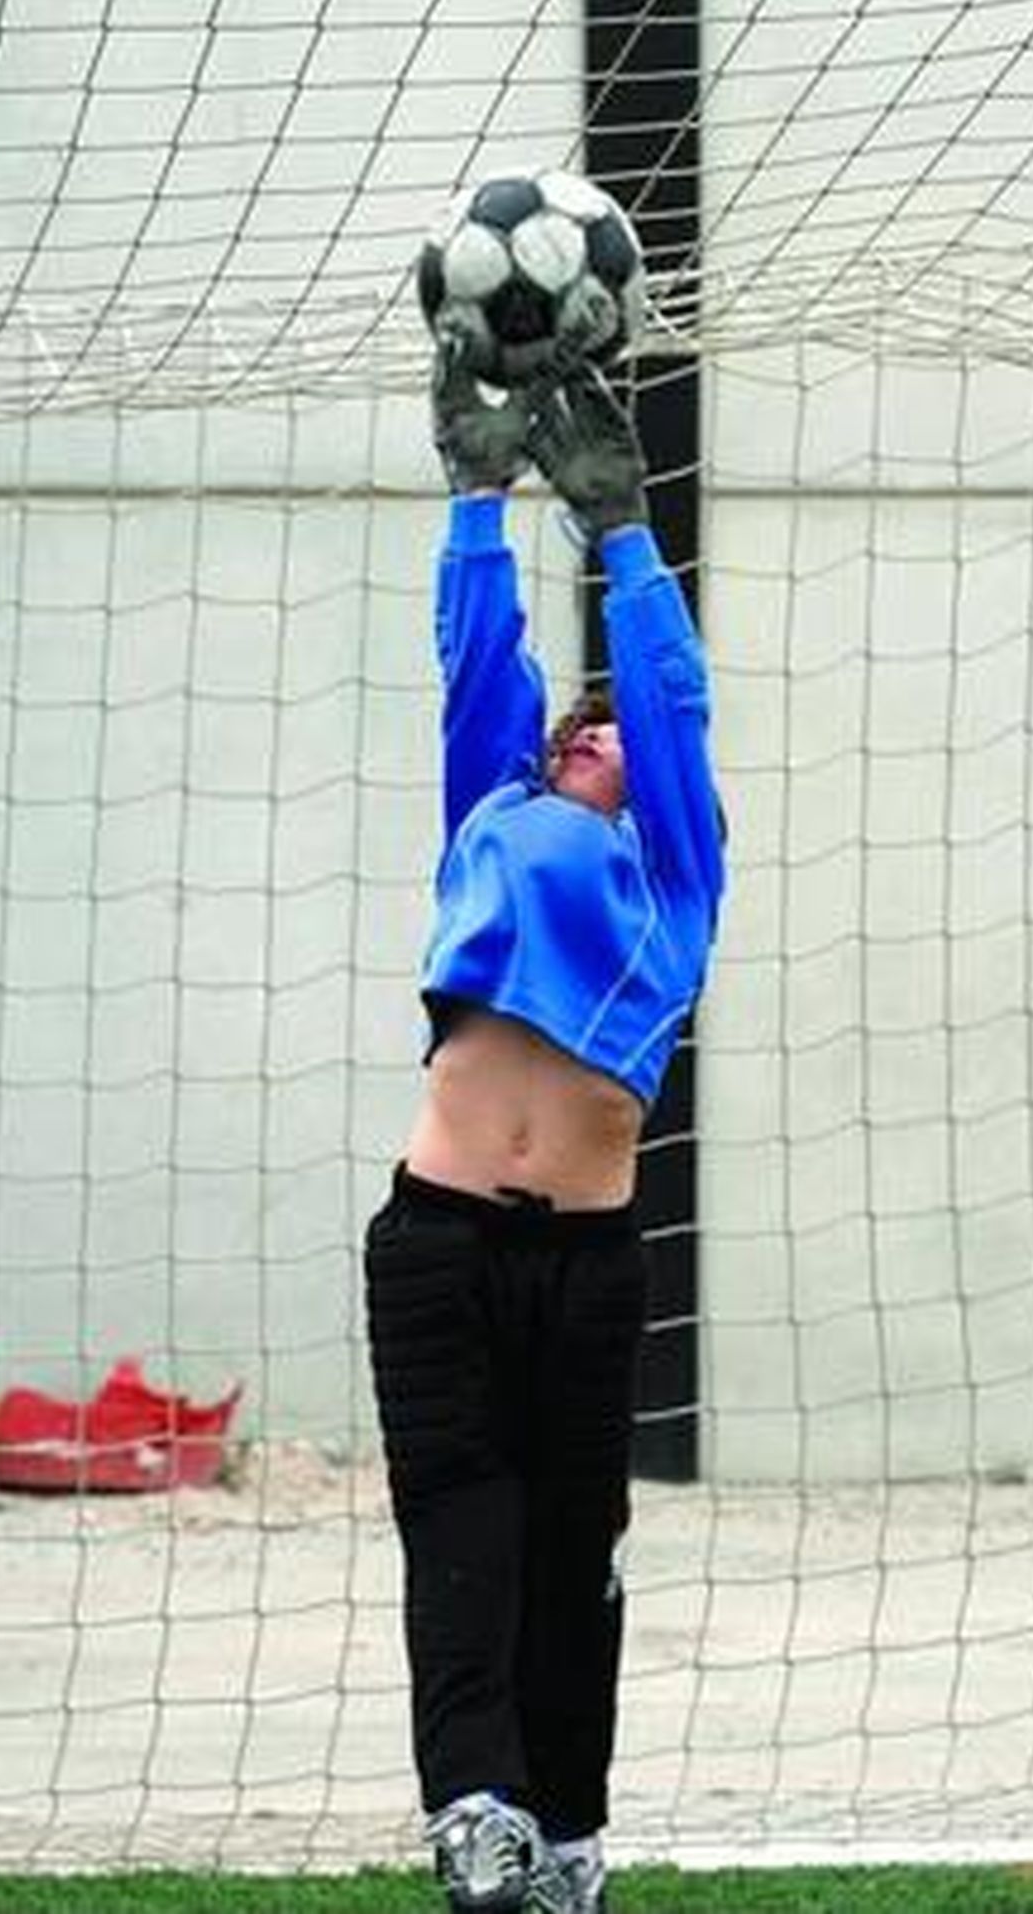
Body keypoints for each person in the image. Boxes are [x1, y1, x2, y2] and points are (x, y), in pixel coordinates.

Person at [364, 332, 726, 1914]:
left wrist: (627, 529)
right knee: (464, 1533)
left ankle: (567, 1841)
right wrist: (477, 495)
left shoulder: (678, 873)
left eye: (606, 732)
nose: (584, 733)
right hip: (436, 1241)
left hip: (585, 1266)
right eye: (568, 726)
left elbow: (670, 706)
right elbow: (480, 669)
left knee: (573, 1556)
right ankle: (478, 1811)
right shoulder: (491, 818)